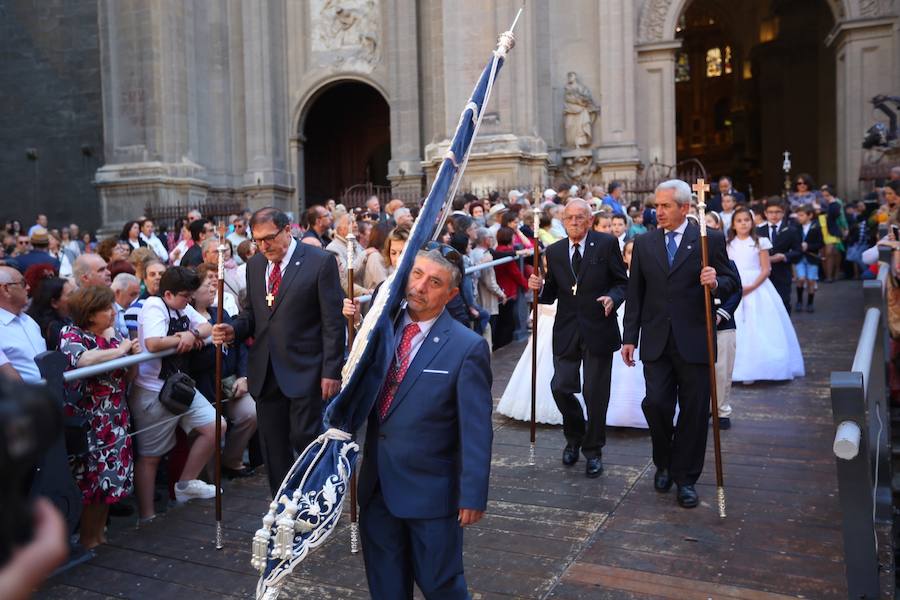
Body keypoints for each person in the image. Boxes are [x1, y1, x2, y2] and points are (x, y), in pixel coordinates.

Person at [357, 249, 493, 600]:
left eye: (434, 282)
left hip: (432, 494)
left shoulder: (467, 347)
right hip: (376, 488)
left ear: (450, 295)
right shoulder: (379, 328)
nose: (419, 286)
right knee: (385, 587)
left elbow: (476, 429)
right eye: (416, 274)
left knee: (441, 586)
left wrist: (473, 493)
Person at [622, 179, 739, 509]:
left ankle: (686, 478)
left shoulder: (708, 239)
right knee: (656, 404)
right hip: (656, 340)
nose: (657, 211)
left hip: (695, 341)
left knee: (694, 411)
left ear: (685, 208)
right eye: (656, 206)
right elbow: (635, 295)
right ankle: (664, 461)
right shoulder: (643, 244)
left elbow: (733, 283)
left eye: (665, 206)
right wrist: (629, 338)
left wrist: (715, 281)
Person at [211, 207, 345, 496]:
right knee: (273, 446)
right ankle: (281, 504)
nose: (263, 246)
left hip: (306, 369)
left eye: (269, 238)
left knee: (305, 438)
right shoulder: (257, 265)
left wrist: (331, 371)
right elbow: (254, 314)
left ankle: (312, 499)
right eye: (257, 240)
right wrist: (234, 329)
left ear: (288, 230)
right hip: (266, 371)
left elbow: (332, 323)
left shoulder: (319, 263)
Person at [526, 198, 628, 478]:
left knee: (596, 395)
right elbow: (550, 294)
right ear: (563, 220)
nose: (574, 222)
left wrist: (613, 298)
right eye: (569, 217)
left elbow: (622, 282)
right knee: (561, 387)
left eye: (579, 217)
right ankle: (575, 436)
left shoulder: (606, 244)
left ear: (590, 220)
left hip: (599, 328)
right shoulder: (555, 251)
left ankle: (593, 451)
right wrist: (537, 286)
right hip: (567, 329)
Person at [129, 266, 221, 521]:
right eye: (184, 296)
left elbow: (206, 325)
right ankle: (147, 517)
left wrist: (191, 334)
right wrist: (187, 337)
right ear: (168, 293)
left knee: (215, 426)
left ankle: (185, 485)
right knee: (150, 457)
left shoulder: (181, 304)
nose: (188, 301)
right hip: (152, 391)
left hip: (179, 386)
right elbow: (154, 342)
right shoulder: (154, 306)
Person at [59, 285, 140, 548]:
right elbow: (82, 360)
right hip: (91, 418)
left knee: (111, 480)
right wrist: (121, 351)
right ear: (90, 313)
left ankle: (100, 537)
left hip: (116, 415)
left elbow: (128, 377)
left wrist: (133, 358)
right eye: (106, 308)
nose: (112, 312)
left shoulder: (114, 334)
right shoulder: (71, 334)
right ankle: (88, 539)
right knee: (92, 483)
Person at [190, 265, 258, 478]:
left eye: (213, 285)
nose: (212, 289)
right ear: (192, 292)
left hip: (230, 381)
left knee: (251, 412)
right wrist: (216, 347)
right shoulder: (188, 319)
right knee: (212, 425)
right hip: (205, 387)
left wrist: (243, 376)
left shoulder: (221, 312)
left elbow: (239, 346)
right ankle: (208, 478)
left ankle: (231, 459)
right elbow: (194, 362)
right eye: (206, 285)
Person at [728, 206, 805, 383]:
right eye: (739, 221)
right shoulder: (728, 244)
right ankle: (739, 369)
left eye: (746, 220)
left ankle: (765, 367)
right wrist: (736, 287)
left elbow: (766, 269)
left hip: (758, 286)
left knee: (762, 325)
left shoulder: (760, 242)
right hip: (736, 285)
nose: (743, 224)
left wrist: (752, 286)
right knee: (738, 327)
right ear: (733, 224)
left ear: (752, 222)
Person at [0, 266, 47, 382]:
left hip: (51, 394)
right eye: (23, 283)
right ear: (6, 289)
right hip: (21, 398)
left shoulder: (29, 321)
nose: (28, 287)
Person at [757, 198, 802, 314]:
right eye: (771, 212)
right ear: (765, 213)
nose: (774, 215)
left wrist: (784, 256)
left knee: (783, 302)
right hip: (763, 274)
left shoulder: (791, 230)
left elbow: (798, 251)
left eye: (777, 212)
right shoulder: (758, 231)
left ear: (783, 212)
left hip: (782, 273)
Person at [492, 227, 528, 351]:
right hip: (508, 290)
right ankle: (503, 346)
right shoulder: (506, 252)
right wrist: (526, 285)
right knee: (507, 322)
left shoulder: (498, 250)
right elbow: (515, 273)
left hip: (502, 288)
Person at [27, 276, 75, 350]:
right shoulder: (54, 328)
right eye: (70, 295)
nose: (76, 297)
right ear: (54, 303)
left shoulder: (67, 318)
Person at [794, 205, 824, 312]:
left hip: (812, 257)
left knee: (811, 281)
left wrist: (808, 246)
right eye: (798, 215)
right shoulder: (796, 227)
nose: (799, 217)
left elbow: (821, 243)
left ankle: (810, 303)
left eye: (801, 215)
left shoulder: (816, 227)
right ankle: (799, 301)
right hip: (799, 257)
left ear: (810, 215)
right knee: (801, 278)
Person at [111, 272, 140, 338]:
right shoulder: (109, 311)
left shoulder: (137, 308)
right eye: (133, 294)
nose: (136, 298)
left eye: (138, 294)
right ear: (118, 292)